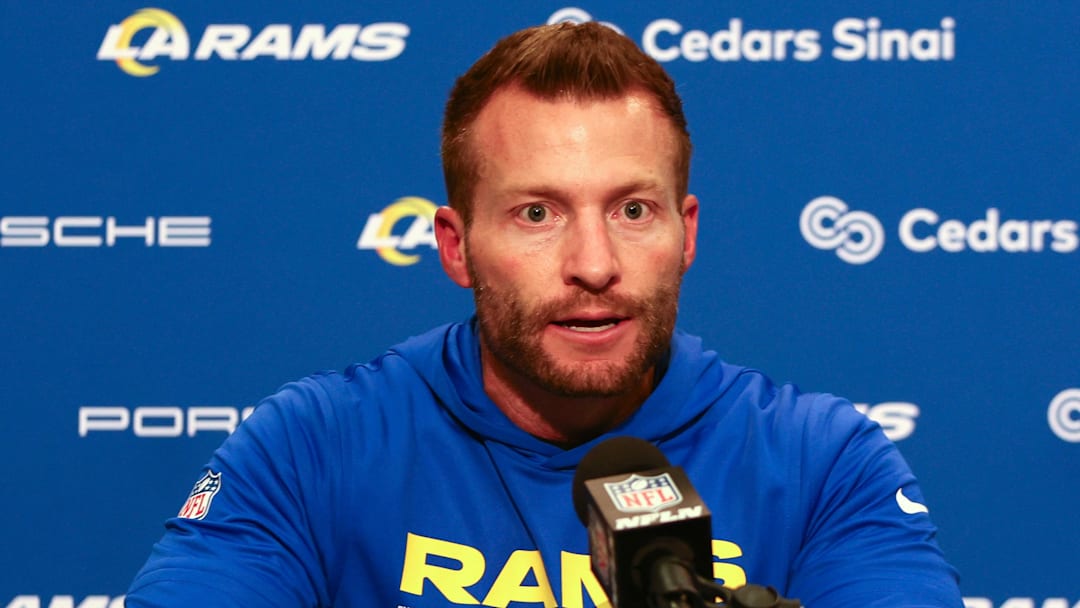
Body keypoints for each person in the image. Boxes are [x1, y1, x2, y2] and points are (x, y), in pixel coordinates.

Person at [125, 22, 963, 608]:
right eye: (538, 214)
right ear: (455, 248)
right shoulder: (312, 447)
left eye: (633, 210)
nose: (594, 265)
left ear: (686, 232)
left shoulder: (823, 464)